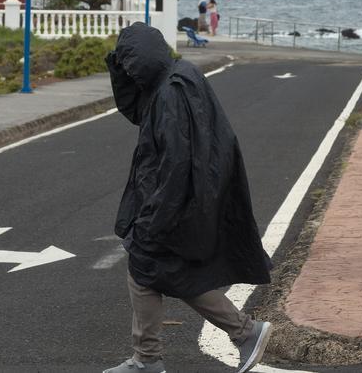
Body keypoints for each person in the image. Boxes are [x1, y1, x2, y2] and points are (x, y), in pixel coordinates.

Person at [103, 24, 273, 373]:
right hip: (183, 197)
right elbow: (135, 110)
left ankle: (150, 360)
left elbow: (177, 164)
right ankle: (242, 334)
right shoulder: (173, 78)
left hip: (178, 200)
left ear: (147, 58)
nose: (131, 70)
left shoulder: (172, 92)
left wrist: (155, 215)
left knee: (146, 267)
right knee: (167, 273)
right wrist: (117, 67)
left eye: (132, 62)